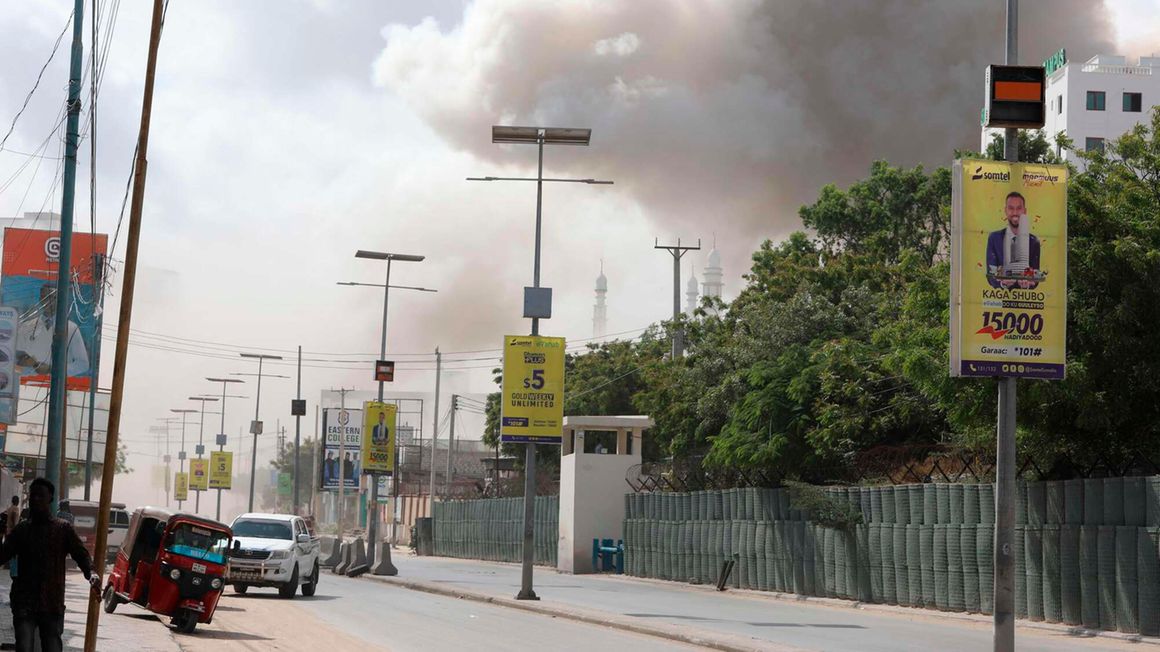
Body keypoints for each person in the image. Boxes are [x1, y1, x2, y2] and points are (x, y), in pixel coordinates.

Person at [0, 478, 99, 652]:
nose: (36, 499)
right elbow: (2, 554)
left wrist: (91, 573)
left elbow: (80, 554)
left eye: (41, 496)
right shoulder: (22, 530)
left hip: (52, 603)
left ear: (50, 498)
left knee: (52, 647)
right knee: (24, 646)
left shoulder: (63, 529)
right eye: (33, 496)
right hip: (24, 602)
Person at [16, 286, 90, 377]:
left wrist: (51, 369)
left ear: (60, 300)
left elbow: (83, 364)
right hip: (28, 384)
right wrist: (22, 360)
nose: (48, 302)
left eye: (53, 297)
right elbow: (13, 357)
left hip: (57, 385)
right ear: (40, 300)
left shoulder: (71, 328)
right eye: (45, 297)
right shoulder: (26, 326)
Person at [986, 191, 1041, 289]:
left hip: (1025, 301)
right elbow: (991, 275)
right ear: (1005, 210)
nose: (1015, 213)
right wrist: (1002, 284)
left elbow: (1035, 274)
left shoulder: (1034, 241)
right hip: (998, 301)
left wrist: (1030, 284)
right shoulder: (994, 238)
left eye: (1019, 208)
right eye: (1011, 208)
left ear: (1025, 211)